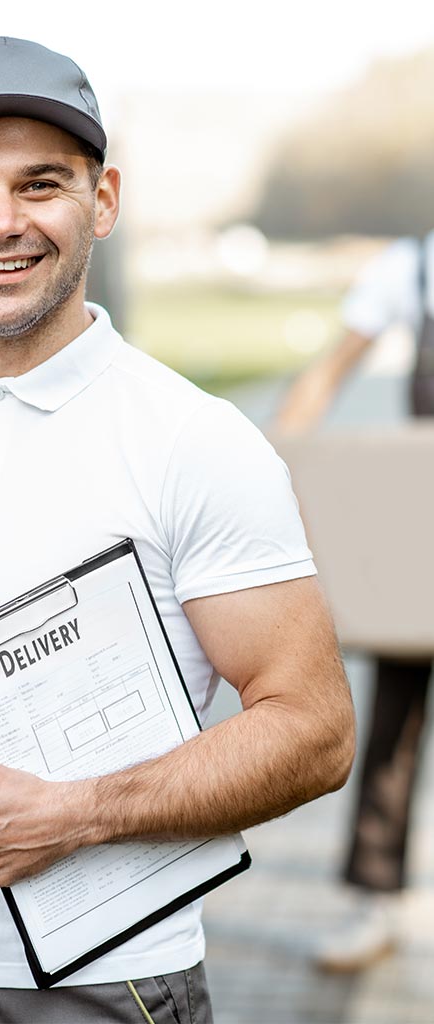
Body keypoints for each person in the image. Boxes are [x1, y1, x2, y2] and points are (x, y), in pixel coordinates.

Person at [0, 36, 355, 1024]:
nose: (0, 222)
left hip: (109, 986)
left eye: (40, 184)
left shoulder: (194, 442)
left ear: (103, 200)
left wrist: (78, 814)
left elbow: (316, 728)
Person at [275, 235, 433, 973]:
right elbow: (327, 375)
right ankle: (375, 902)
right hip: (423, 535)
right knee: (395, 717)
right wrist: (276, 465)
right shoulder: (411, 270)